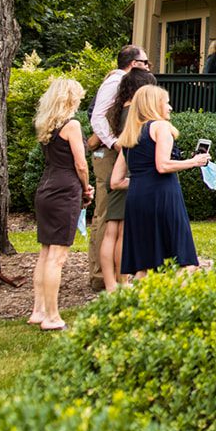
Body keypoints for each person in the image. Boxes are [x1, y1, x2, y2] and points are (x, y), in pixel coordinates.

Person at [112, 85, 208, 277]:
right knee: (185, 261)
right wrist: (194, 161)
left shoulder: (129, 135)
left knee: (144, 266)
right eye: (166, 102)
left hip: (137, 199)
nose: (170, 107)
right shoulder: (161, 127)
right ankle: (171, 304)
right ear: (154, 105)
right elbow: (162, 165)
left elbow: (116, 181)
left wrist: (142, 181)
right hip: (163, 196)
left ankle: (141, 305)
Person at [29, 78, 93, 331]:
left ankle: (38, 310)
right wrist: (86, 187)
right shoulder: (72, 125)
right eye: (77, 96)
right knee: (57, 256)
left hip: (46, 189)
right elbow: (80, 163)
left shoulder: (46, 125)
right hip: (65, 190)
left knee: (45, 253)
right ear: (70, 99)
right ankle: (52, 317)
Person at [87, 44, 148, 290]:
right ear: (133, 64)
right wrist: (115, 144)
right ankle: (101, 276)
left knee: (117, 218)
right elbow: (97, 117)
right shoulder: (116, 81)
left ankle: (117, 273)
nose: (147, 66)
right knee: (106, 214)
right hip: (109, 155)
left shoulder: (123, 83)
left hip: (116, 153)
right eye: (144, 62)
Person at [98, 66, 155, 289]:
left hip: (116, 168)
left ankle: (111, 282)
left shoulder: (118, 108)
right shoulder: (135, 113)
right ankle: (121, 281)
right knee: (123, 232)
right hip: (128, 171)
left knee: (111, 230)